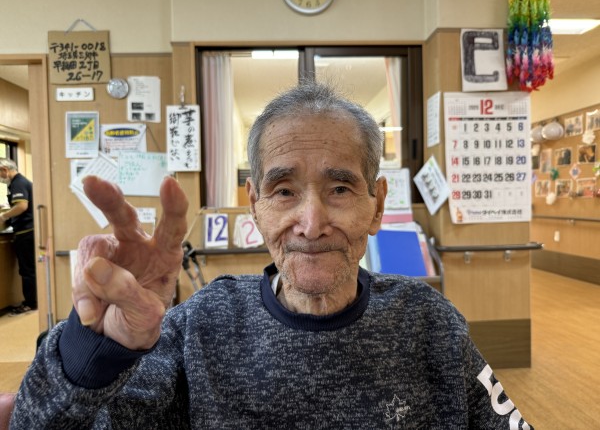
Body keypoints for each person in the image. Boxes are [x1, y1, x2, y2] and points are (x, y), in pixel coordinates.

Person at [10, 82, 533, 429]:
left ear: (377, 205)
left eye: (340, 189)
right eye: (284, 191)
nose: (312, 222)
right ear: (254, 205)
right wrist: (95, 351)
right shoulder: (199, 328)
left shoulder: (429, 325)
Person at [0, 158, 37, 316]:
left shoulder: (18, 183)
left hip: (25, 232)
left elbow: (22, 206)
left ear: (4, 169)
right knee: (30, 268)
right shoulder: (20, 182)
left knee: (27, 269)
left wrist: (4, 216)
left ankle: (30, 303)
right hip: (29, 231)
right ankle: (33, 301)